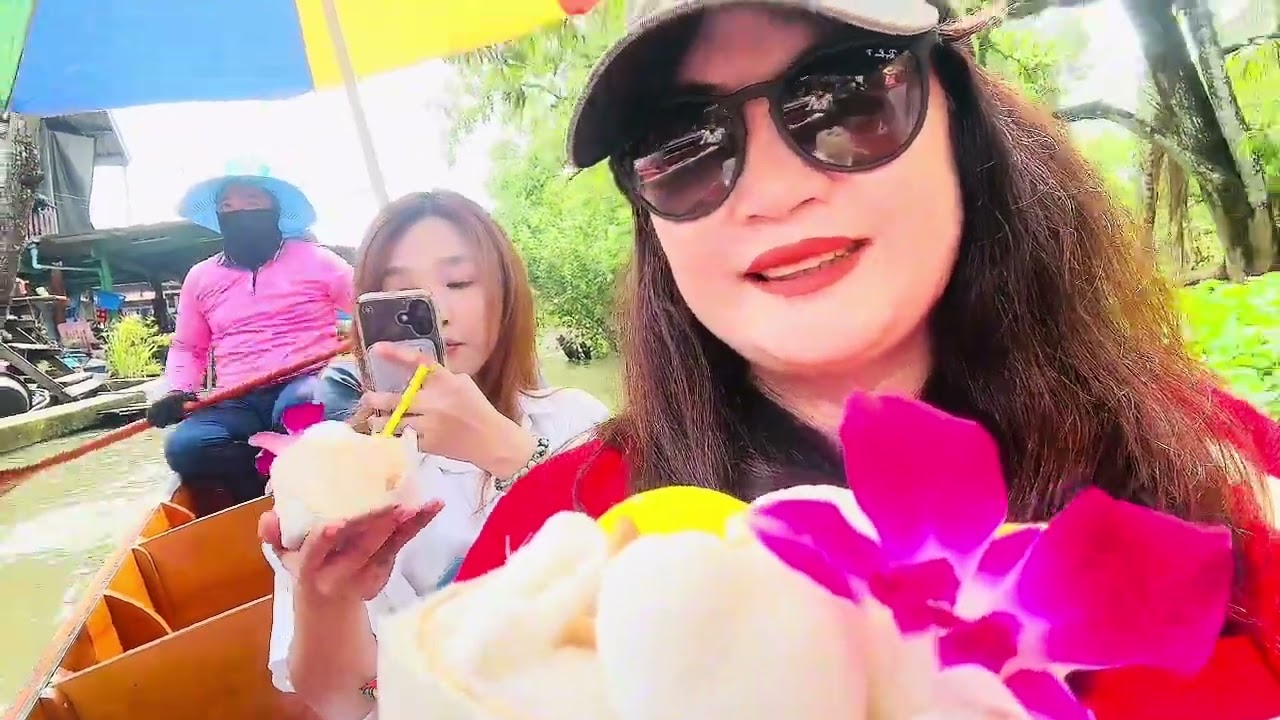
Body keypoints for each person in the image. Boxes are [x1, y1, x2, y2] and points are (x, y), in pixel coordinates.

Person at [445, 2, 1280, 719]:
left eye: (845, 96)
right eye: (684, 143)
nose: (774, 192)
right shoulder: (554, 543)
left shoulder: (1219, 467)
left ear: (959, 116)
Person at [258, 190, 610, 719]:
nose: (439, 313)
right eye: (402, 295)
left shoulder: (577, 422)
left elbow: (647, 602)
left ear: (506, 295)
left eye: (460, 282)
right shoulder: (338, 472)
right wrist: (326, 598)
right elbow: (356, 701)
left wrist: (512, 455)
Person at [146, 175, 354, 515]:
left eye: (252, 204)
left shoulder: (318, 261)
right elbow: (188, 348)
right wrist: (177, 391)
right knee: (184, 447)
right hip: (235, 399)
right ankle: (258, 490)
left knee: (305, 407)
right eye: (228, 207)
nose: (239, 213)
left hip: (305, 382)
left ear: (275, 211)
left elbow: (368, 306)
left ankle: (299, 484)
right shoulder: (200, 277)